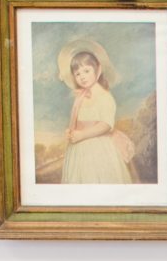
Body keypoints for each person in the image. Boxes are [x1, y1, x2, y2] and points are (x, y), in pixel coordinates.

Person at [57, 43, 136, 184]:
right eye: (77, 74)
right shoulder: (80, 97)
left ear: (97, 70)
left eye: (86, 71)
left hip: (99, 147)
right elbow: (76, 120)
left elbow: (106, 125)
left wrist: (82, 135)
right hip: (78, 149)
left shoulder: (104, 96)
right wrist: (71, 131)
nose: (82, 77)